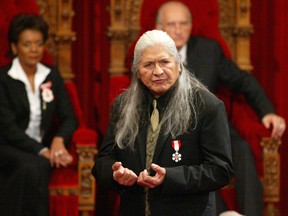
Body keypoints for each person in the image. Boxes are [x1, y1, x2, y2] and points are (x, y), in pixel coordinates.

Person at [154, 1, 286, 216]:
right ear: (159, 27)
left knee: (242, 148)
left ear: (191, 25)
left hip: (213, 129)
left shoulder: (209, 50)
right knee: (198, 160)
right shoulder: (150, 56)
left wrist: (267, 111)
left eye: (183, 23)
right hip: (174, 134)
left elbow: (243, 81)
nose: (178, 30)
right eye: (172, 24)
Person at [92, 29, 233, 216]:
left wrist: (170, 177)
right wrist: (115, 173)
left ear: (179, 64)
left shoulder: (207, 106)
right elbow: (102, 161)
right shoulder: (123, 105)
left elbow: (221, 170)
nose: (158, 71)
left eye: (165, 62)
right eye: (148, 65)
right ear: (137, 72)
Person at [0, 14, 77, 216]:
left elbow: (69, 116)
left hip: (39, 148)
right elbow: (7, 128)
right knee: (32, 164)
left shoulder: (51, 74)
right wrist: (43, 150)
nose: (34, 49)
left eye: (38, 43)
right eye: (27, 44)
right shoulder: (3, 78)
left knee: (37, 163)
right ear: (15, 47)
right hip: (7, 145)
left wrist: (59, 140)